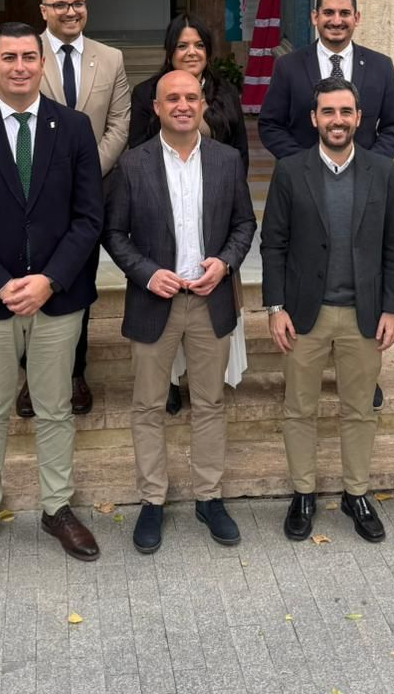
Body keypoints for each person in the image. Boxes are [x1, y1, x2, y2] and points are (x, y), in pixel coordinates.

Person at [0, 22, 105, 569]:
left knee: (55, 408)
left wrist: (48, 280)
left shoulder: (75, 129)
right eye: (7, 57)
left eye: (28, 57)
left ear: (42, 65)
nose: (18, 66)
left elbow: (89, 218)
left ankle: (57, 507)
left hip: (58, 296)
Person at [104, 69, 257, 554]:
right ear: (157, 106)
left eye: (192, 97)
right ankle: (153, 499)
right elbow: (114, 234)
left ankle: (208, 497)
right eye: (173, 98)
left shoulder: (227, 160)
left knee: (210, 404)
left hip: (209, 301)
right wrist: (148, 272)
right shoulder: (133, 164)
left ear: (202, 104)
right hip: (156, 302)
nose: (184, 105)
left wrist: (226, 262)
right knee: (149, 405)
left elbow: (243, 223)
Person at [261, 76, 394, 544]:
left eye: (346, 112)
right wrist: (275, 306)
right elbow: (274, 244)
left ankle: (356, 493)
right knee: (299, 408)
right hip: (306, 314)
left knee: (359, 410)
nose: (337, 120)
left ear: (359, 118)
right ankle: (303, 492)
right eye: (328, 112)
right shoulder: (291, 170)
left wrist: (393, 309)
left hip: (364, 315)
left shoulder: (383, 172)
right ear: (314, 118)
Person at [12, 0, 132, 419]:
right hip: (32, 194)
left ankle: (75, 372)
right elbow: (11, 117)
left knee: (77, 281)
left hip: (91, 193)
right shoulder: (23, 56)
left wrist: (85, 172)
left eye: (78, 3)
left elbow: (120, 123)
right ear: (43, 11)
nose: (70, 12)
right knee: (32, 278)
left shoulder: (111, 58)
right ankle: (31, 377)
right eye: (60, 5)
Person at [126, 13, 251, 410]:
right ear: (170, 50)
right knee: (164, 322)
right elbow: (136, 151)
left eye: (198, 44)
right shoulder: (146, 92)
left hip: (213, 224)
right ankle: (170, 384)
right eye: (182, 45)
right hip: (159, 229)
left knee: (209, 319)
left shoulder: (226, 92)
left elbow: (241, 157)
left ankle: (202, 381)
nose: (191, 51)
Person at [257, 0, 394, 161]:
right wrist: (302, 163)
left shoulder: (380, 66)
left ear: (357, 18)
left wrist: (370, 165)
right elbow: (270, 125)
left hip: (364, 181)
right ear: (315, 17)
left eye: (344, 13)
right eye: (328, 13)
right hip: (305, 180)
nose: (336, 21)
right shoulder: (288, 66)